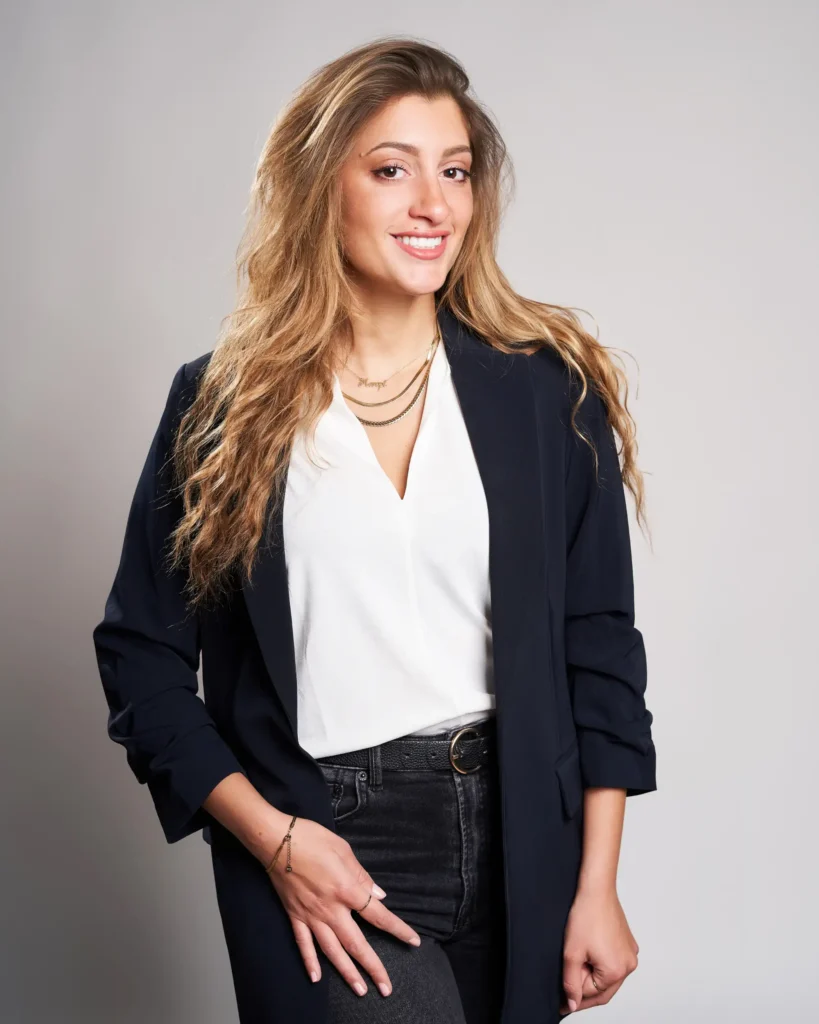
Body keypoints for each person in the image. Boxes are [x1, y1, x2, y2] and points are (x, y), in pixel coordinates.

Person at [92, 36, 657, 1024]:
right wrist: (275, 842)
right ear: (322, 187)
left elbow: (600, 647)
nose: (433, 204)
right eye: (392, 170)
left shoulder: (545, 394)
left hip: (522, 829)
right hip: (324, 832)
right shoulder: (223, 407)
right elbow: (141, 660)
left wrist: (598, 882)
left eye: (455, 172)